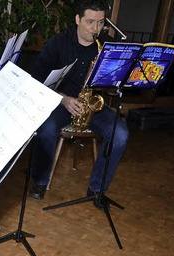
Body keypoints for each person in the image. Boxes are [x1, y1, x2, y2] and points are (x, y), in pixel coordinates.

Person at [28, 0, 129, 203]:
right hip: (60, 101)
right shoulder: (58, 43)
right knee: (46, 129)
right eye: (90, 22)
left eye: (100, 23)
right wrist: (64, 98)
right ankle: (39, 180)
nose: (95, 28)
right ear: (77, 19)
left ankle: (97, 188)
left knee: (120, 133)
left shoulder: (107, 46)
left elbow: (115, 81)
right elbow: (37, 79)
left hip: (92, 105)